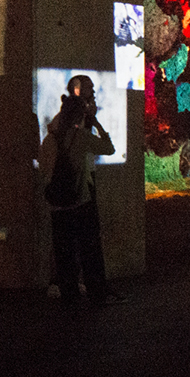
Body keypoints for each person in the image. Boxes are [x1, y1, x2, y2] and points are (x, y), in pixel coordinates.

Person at [40, 74, 121, 309]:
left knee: (63, 249)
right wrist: (95, 123)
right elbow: (108, 148)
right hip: (80, 196)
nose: (93, 92)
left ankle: (70, 295)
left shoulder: (51, 137)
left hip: (57, 201)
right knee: (89, 245)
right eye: (89, 88)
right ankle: (96, 291)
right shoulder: (81, 135)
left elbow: (44, 166)